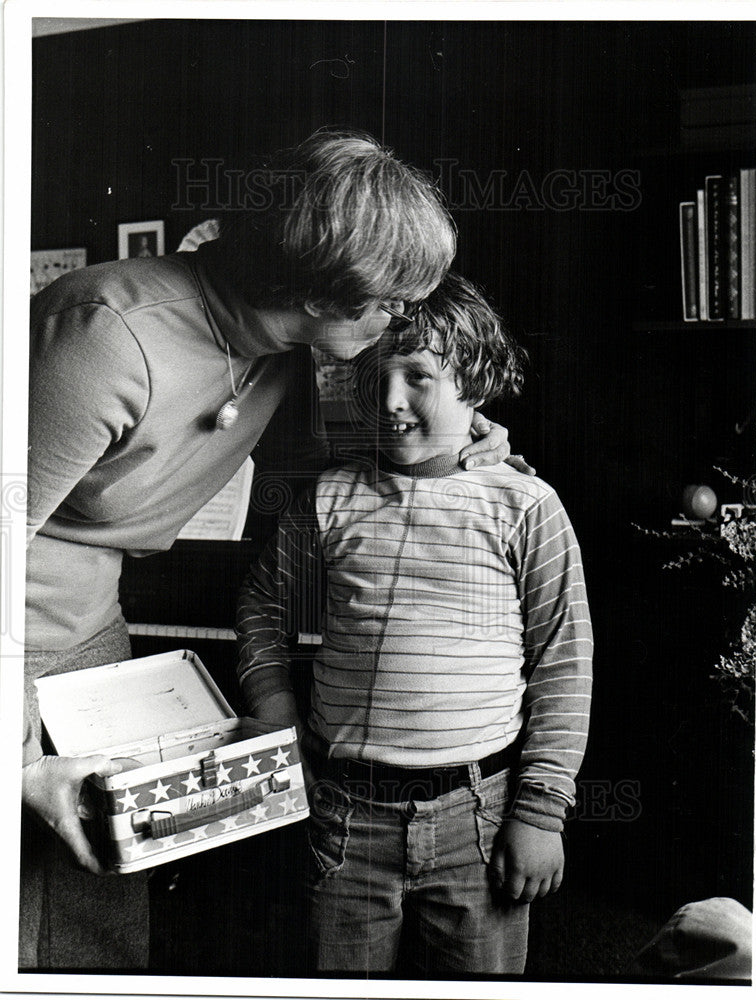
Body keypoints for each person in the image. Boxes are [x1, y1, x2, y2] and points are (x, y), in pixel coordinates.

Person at [21, 130, 513, 970]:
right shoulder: (104, 331)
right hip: (13, 641)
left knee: (94, 916)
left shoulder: (284, 349)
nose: (400, 317)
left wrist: (455, 445)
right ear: (322, 287)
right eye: (391, 299)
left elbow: (342, 462)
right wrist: (22, 764)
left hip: (88, 632)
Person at [236, 273, 594, 975]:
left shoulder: (525, 504)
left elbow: (562, 659)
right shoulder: (330, 498)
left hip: (477, 814)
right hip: (342, 812)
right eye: (373, 374)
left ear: (476, 382)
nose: (389, 399)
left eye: (418, 376)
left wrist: (542, 810)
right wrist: (276, 716)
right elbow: (263, 606)